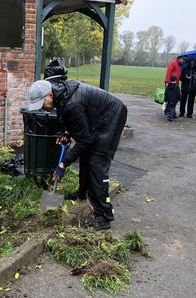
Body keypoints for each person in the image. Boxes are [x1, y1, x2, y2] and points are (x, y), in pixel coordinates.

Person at [27, 79, 127, 231]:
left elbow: (84, 139)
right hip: (98, 119)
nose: (41, 107)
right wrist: (67, 132)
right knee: (85, 156)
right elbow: (77, 120)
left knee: (96, 164)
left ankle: (104, 216)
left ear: (49, 94)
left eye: (42, 102)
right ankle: (82, 193)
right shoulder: (62, 95)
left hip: (112, 117)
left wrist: (63, 163)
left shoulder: (70, 103)